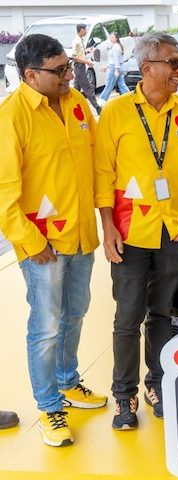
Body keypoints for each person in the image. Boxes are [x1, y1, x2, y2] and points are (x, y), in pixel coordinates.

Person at [94, 32, 178, 430]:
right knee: (127, 316)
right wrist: (107, 225)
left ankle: (157, 384)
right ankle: (123, 395)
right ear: (146, 67)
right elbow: (103, 174)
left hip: (173, 229)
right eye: (173, 63)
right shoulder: (117, 112)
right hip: (129, 231)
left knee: (161, 313)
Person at [0, 34, 107, 447]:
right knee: (45, 328)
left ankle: (67, 380)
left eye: (69, 67)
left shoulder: (77, 104)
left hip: (81, 235)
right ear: (31, 75)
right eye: (60, 70)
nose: (70, 75)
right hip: (43, 245)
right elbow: (4, 193)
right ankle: (49, 406)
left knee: (75, 313)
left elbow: (96, 161)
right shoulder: (12, 117)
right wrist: (32, 243)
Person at [71, 23, 102, 114]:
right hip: (79, 67)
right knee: (87, 88)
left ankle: (72, 107)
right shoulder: (76, 41)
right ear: (81, 30)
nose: (86, 31)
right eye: (85, 29)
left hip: (80, 67)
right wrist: (87, 62)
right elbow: (74, 56)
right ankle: (97, 107)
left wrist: (87, 51)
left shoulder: (80, 40)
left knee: (76, 89)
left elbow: (79, 53)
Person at [99, 31, 130, 103]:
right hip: (117, 67)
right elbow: (114, 60)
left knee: (109, 84)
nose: (111, 39)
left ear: (116, 38)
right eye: (110, 37)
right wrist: (106, 67)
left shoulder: (116, 47)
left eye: (112, 37)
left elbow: (116, 59)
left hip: (115, 68)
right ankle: (130, 97)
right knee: (121, 84)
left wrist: (116, 70)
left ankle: (102, 100)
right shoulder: (118, 46)